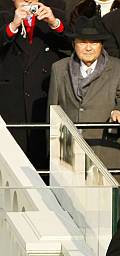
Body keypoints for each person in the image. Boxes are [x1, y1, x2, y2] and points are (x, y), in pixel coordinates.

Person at [47, 15, 120, 172]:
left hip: (103, 147)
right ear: (74, 44)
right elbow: (52, 110)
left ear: (101, 45)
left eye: (94, 43)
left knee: (104, 195)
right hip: (67, 151)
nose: (88, 48)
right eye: (83, 42)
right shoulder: (59, 68)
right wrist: (52, 152)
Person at [0, 0, 70, 168]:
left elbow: (74, 45)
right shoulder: (3, 17)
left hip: (43, 95)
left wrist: (54, 23)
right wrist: (13, 25)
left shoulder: (54, 14)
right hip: (10, 99)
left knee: (42, 156)